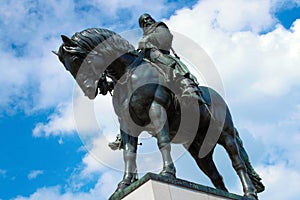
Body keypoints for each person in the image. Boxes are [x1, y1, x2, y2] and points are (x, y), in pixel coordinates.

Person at [108, 13, 207, 150]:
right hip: (146, 58)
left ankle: (188, 87)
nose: (147, 22)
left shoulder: (159, 26)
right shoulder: (143, 37)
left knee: (168, 65)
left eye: (148, 19)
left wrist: (150, 38)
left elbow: (166, 37)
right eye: (143, 22)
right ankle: (123, 134)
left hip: (159, 55)